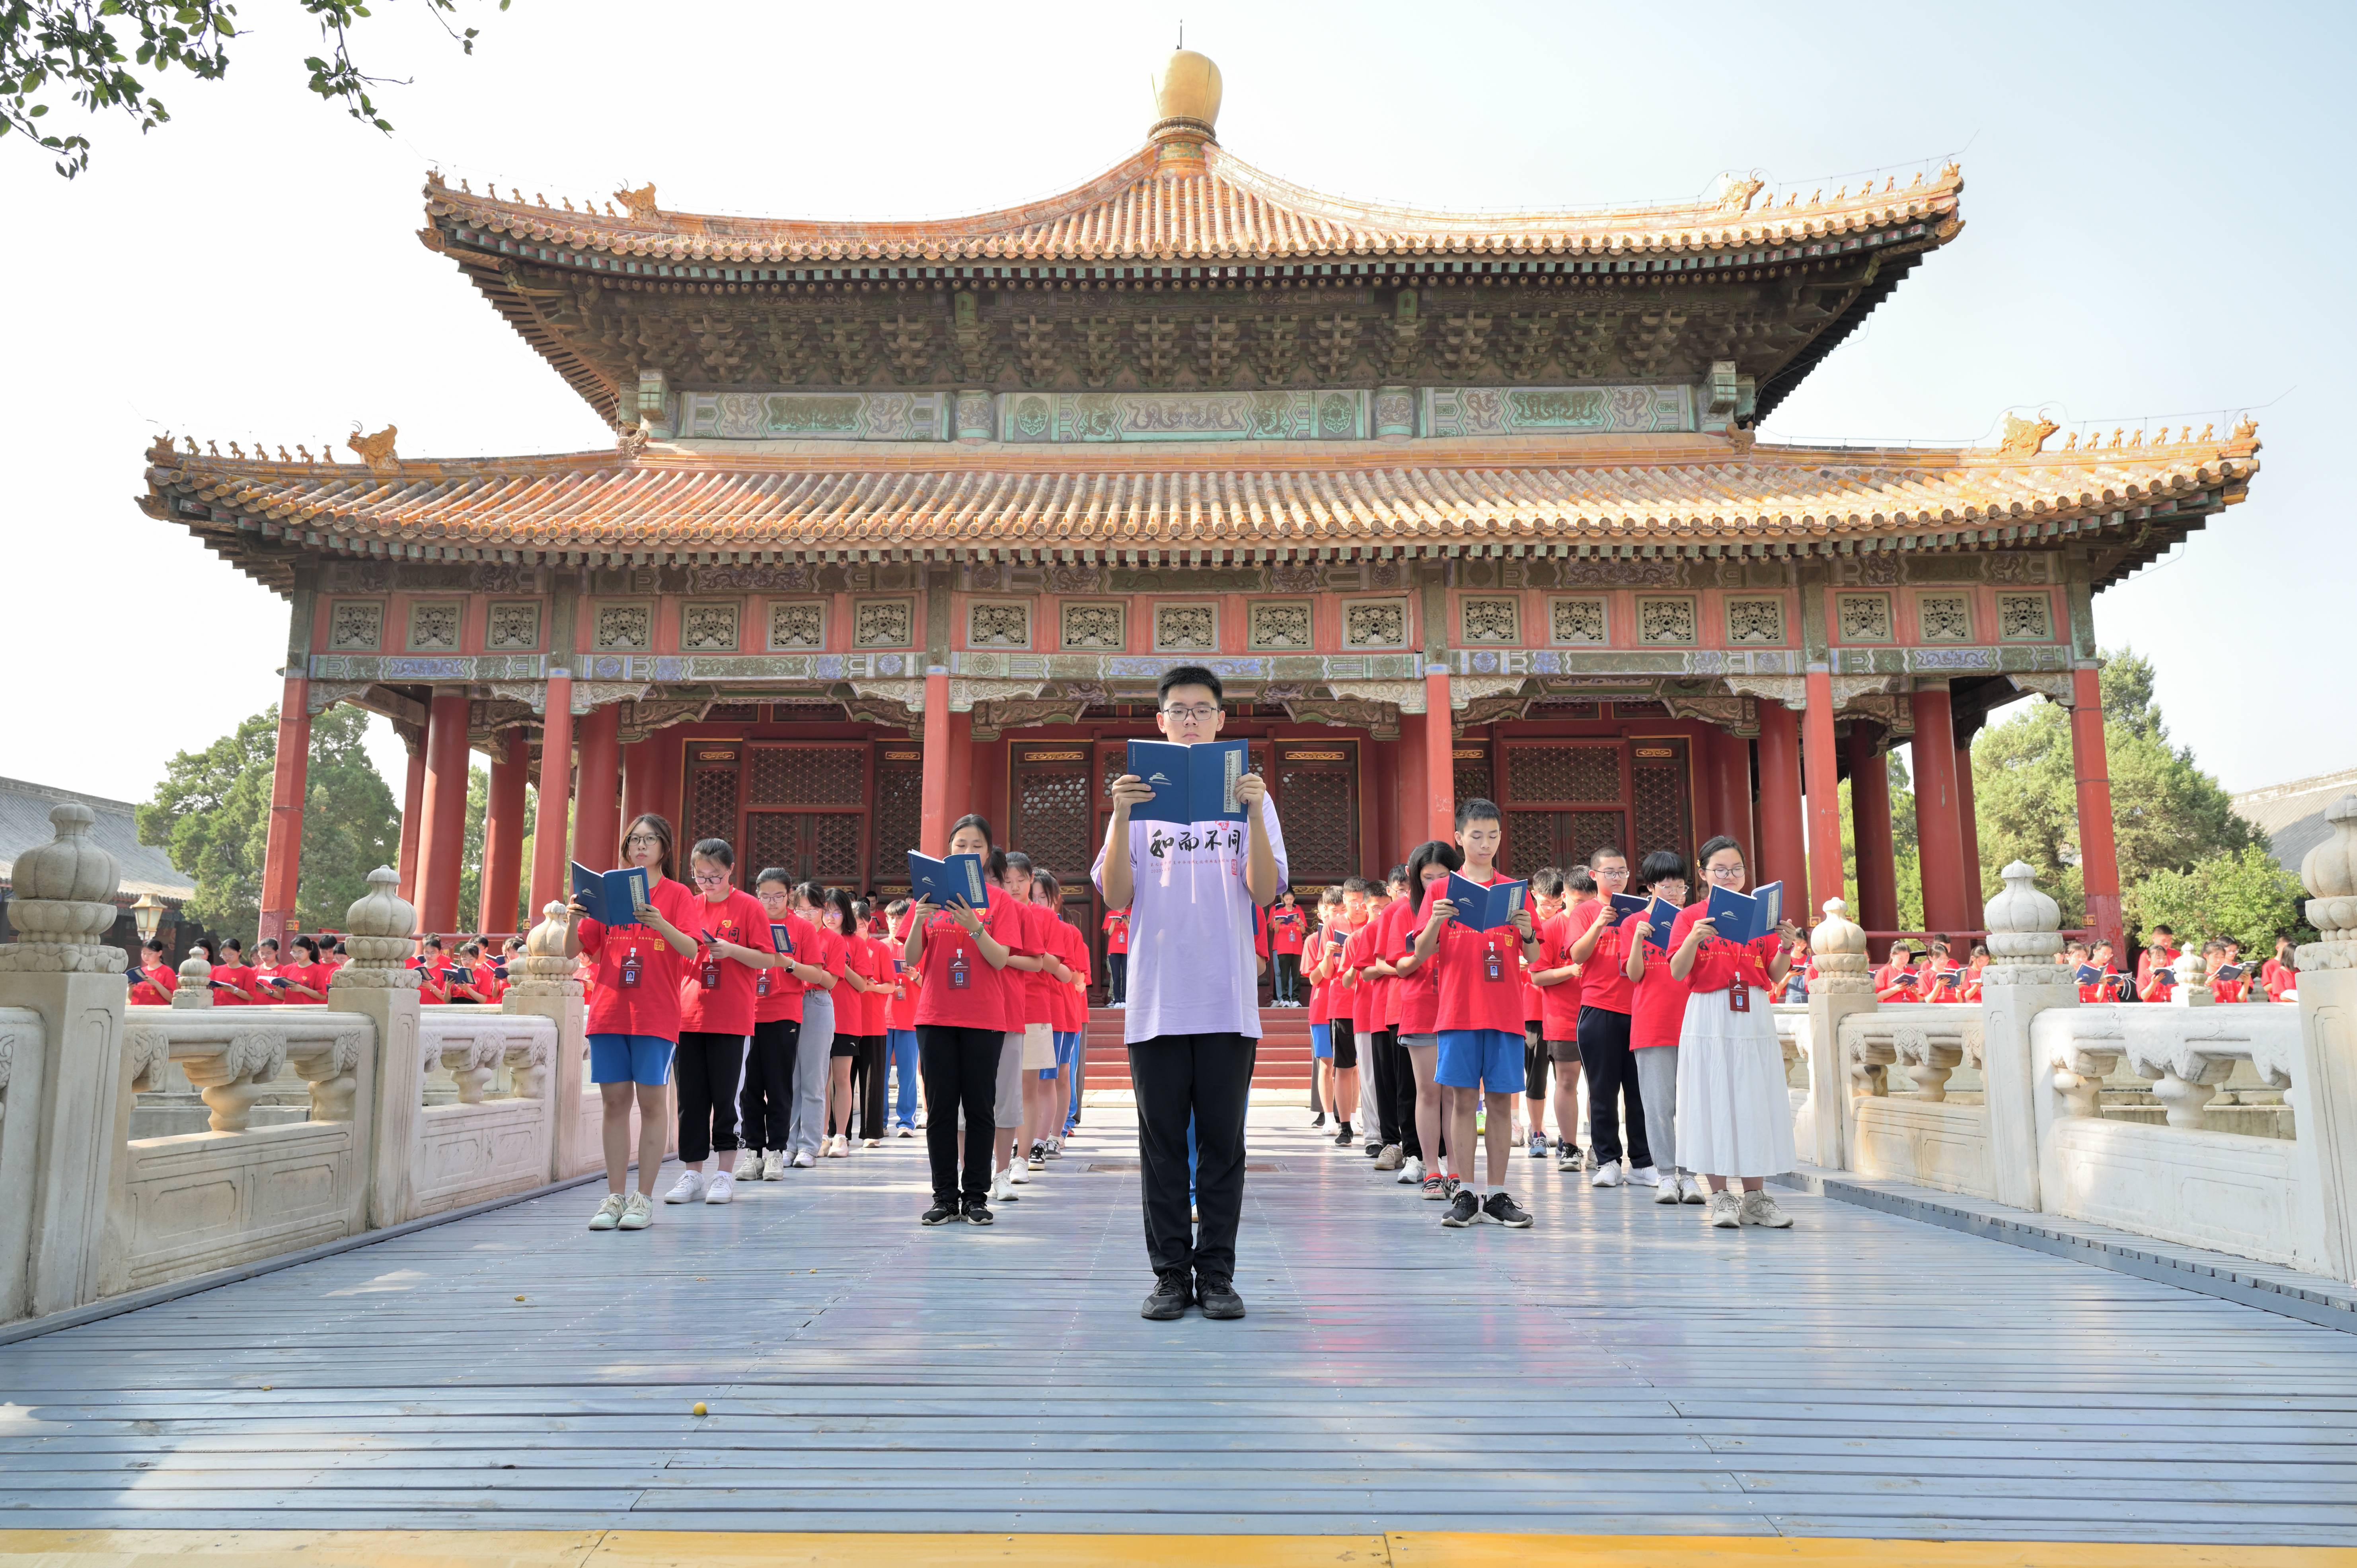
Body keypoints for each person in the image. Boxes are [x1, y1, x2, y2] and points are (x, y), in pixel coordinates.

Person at [1097, 665, 1285, 1321]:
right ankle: (1171, 1275)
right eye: (1177, 710)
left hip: (1226, 999)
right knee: (1162, 1149)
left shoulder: (1251, 799)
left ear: (1221, 720)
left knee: (1223, 1147)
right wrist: (1120, 815)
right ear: (1159, 721)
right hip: (1157, 998)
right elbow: (1115, 895)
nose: (1189, 720)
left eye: (1202, 709)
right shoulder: (1137, 799)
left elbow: (1265, 890)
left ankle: (1218, 1274)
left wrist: (1254, 811)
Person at [564, 812, 703, 1232]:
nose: (641, 846)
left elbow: (692, 949)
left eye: (650, 839)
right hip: (608, 1011)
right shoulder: (608, 892)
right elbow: (573, 950)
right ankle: (614, 1197)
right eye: (634, 840)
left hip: (655, 1014)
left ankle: (643, 1198)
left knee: (653, 1104)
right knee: (613, 1104)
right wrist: (574, 917)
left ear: (665, 847)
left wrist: (659, 922)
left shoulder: (678, 894)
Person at [1407, 799, 1537, 1229]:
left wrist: (1527, 931)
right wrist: (1435, 921)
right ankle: (1464, 1191)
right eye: (1476, 836)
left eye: (1493, 835)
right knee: (1463, 1101)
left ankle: (1496, 1194)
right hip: (1458, 1012)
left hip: (1505, 1012)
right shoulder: (1440, 890)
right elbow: (1421, 953)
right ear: (1459, 838)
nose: (1485, 844)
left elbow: (1536, 957)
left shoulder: (1515, 891)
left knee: (1499, 1102)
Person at [1666, 835, 1802, 1229]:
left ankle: (1755, 1198)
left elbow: (1773, 975)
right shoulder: (1690, 917)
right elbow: (1677, 971)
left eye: (1736, 869)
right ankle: (1721, 1196)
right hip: (1709, 1013)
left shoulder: (1760, 918)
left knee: (1752, 1098)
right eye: (1720, 870)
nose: (1729, 876)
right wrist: (1693, 939)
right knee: (1712, 1098)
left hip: (1752, 1013)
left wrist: (1785, 947)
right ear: (1703, 873)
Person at [906, 814, 1025, 1225]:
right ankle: (944, 1197)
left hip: (984, 1017)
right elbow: (911, 958)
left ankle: (975, 1197)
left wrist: (976, 927)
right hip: (935, 1015)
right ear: (948, 850)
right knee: (940, 1111)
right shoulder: (929, 896)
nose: (967, 851)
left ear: (988, 854)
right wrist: (919, 919)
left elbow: (1000, 959)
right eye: (960, 845)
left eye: (976, 846)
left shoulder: (1000, 902)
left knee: (979, 1108)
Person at [664, 837, 775, 1206]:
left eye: (714, 876)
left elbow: (768, 959)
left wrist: (732, 951)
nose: (707, 883)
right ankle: (692, 1173)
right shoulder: (688, 905)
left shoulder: (748, 906)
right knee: (690, 1101)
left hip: (731, 1018)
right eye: (700, 876)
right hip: (687, 1016)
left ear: (731, 870)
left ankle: (725, 1173)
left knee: (727, 1100)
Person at [736, 868, 834, 1181]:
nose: (771, 902)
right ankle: (753, 1153)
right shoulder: (749, 922)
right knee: (750, 1088)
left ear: (789, 894)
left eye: (778, 896)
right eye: (765, 896)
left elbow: (817, 974)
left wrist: (788, 963)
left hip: (783, 1013)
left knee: (779, 1086)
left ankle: (777, 1151)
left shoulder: (801, 928)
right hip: (747, 1011)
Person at [1567, 845, 1653, 1188]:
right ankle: (1608, 1161)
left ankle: (1643, 1162)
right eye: (1609, 872)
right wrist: (1600, 924)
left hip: (1640, 1009)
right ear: (1594, 875)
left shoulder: (1643, 911)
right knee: (1602, 1092)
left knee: (1639, 1093)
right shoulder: (1586, 912)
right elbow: (1577, 954)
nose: (1617, 878)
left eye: (1622, 872)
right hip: (1599, 1008)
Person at [1623, 848, 1704, 1206]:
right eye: (1666, 886)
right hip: (1652, 1024)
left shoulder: (1695, 923)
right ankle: (1667, 1175)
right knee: (1658, 1107)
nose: (1673, 893)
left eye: (1679, 887)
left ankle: (1691, 1176)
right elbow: (1634, 975)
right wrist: (1638, 940)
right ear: (1651, 888)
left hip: (1695, 1022)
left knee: (1693, 1105)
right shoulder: (1633, 924)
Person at [1392, 838, 1463, 1199]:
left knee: (1456, 1093)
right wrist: (1423, 952)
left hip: (1460, 1006)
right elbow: (1400, 966)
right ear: (1416, 877)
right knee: (1429, 1092)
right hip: (1422, 1007)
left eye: (1443, 876)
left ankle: (1457, 1170)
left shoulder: (1466, 909)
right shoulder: (1404, 912)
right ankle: (1431, 1169)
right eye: (1428, 877)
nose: (1436, 883)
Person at [993, 852, 1055, 1200]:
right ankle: (998, 1159)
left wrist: (1000, 955)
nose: (1014, 887)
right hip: (994, 1008)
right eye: (1008, 881)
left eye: (1021, 880)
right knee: (997, 1090)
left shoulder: (1042, 916)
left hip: (1032, 1009)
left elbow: (1041, 962)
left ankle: (1022, 1158)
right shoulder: (993, 910)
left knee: (1027, 1088)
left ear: (1032, 879)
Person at [1531, 867, 1592, 1176]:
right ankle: (1569, 1146)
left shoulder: (1604, 924)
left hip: (1599, 1014)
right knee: (1566, 1081)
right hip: (1563, 1016)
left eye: (1589, 901)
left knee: (1600, 1084)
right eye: (1578, 902)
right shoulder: (1552, 928)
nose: (1584, 908)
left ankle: (1600, 1146)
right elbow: (1538, 975)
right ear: (1564, 897)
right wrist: (1570, 971)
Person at [786, 881, 847, 1166]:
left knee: (813, 1080)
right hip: (787, 1002)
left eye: (812, 909)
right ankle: (788, 1144)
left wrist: (797, 968)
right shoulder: (788, 935)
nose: (806, 915)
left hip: (817, 1001)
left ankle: (809, 1146)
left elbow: (831, 980)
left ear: (822, 909)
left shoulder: (833, 940)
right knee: (791, 1079)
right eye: (800, 910)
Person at [1034, 870, 1089, 1156]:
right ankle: (1034, 1135)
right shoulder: (1018, 924)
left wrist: (1048, 962)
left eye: (1042, 897)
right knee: (1033, 1079)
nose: (1036, 903)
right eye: (1032, 897)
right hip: (1029, 1012)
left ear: (1055, 899)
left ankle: (1056, 1134)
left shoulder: (1069, 932)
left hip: (1060, 1013)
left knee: (1059, 1075)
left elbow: (1078, 978)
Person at [819, 889, 876, 1159]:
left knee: (842, 1078)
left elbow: (862, 986)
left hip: (846, 1018)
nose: (831, 917)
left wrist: (840, 965)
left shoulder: (856, 943)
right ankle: (820, 1136)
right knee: (820, 1080)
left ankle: (841, 1136)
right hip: (816, 1017)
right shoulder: (813, 937)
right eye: (826, 911)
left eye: (837, 912)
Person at [1521, 866, 1567, 1159]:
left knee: (1567, 1078)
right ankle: (1537, 1132)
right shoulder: (1525, 923)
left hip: (1563, 1010)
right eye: (1545, 903)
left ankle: (1566, 1134)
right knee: (1536, 1077)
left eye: (1556, 903)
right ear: (1534, 895)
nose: (1550, 909)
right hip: (1533, 1009)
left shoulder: (1569, 923)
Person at [1304, 886, 1348, 1129]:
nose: (1338, 915)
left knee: (1351, 1067)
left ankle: (1349, 1117)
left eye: (1342, 910)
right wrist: (1327, 956)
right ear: (1323, 912)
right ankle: (1328, 1117)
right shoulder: (1314, 940)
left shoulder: (1353, 934)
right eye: (1333, 911)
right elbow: (1313, 978)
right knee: (1326, 1064)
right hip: (1322, 1008)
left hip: (1346, 1006)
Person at [882, 899, 923, 1135]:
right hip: (882, 1018)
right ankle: (880, 1121)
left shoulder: (917, 948)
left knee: (908, 1074)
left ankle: (906, 1122)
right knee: (881, 1073)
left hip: (910, 1018)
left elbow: (929, 984)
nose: (895, 922)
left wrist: (915, 976)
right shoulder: (880, 947)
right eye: (891, 918)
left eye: (900, 918)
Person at [1268, 888, 1307, 1006]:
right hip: (1283, 947)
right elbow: (1275, 930)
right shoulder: (1278, 912)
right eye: (1287, 899)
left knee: (1295, 974)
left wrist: (1300, 923)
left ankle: (1295, 999)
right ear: (1283, 899)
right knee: (1284, 974)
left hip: (1296, 947)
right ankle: (1284, 999)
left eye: (1291, 899)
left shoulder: (1299, 912)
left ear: (1294, 899)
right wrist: (1277, 924)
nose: (1289, 901)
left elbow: (1304, 931)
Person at [281, 935, 331, 1004]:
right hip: (289, 1008)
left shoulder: (317, 970)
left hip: (307, 1009)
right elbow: (283, 996)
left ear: (309, 951)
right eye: (294, 952)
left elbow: (323, 996)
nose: (297, 955)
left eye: (300, 952)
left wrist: (302, 989)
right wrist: (278, 988)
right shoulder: (287, 969)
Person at [128, 937, 176, 1005]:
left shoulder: (168, 972)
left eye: (150, 954)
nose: (146, 957)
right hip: (137, 1009)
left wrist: (156, 983)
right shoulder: (140, 972)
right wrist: (131, 988)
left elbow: (171, 998)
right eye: (144, 953)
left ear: (159, 953)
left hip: (156, 1010)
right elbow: (132, 999)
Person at [212, 938, 258, 1004]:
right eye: (224, 955)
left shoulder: (247, 972)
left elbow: (250, 996)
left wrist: (233, 990)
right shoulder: (216, 970)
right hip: (217, 1007)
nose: (227, 957)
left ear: (239, 952)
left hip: (236, 1009)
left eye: (231, 954)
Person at [1103, 905, 1131, 1007]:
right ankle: (1117, 1000)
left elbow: (1132, 931)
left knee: (1126, 975)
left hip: (1127, 949)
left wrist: (1127, 922)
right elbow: (1109, 933)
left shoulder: (1131, 913)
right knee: (1116, 976)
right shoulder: (1111, 914)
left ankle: (1124, 999)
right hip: (1114, 949)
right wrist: (1114, 922)